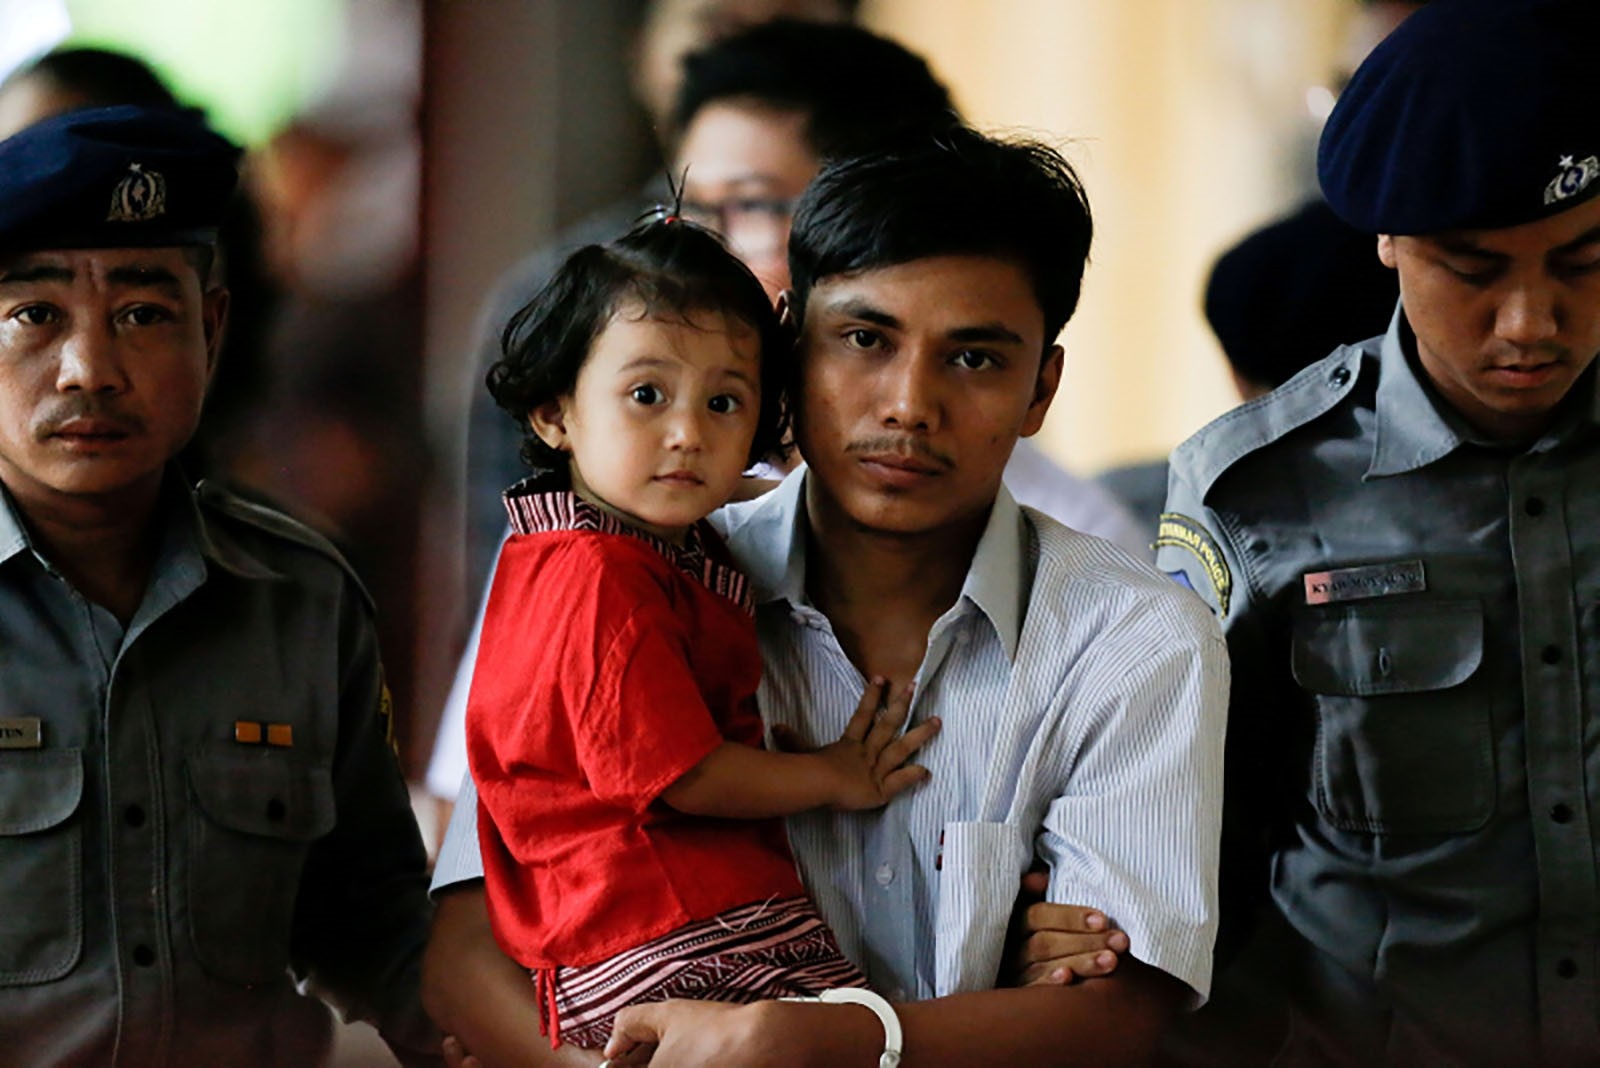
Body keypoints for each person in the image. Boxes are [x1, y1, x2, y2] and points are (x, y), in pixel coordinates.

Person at [424, 124, 1229, 1067]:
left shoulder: (1134, 640)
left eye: (974, 359)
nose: (907, 405)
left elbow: (1115, 1017)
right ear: (789, 347)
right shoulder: (611, 580)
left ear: (1041, 387)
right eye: (863, 339)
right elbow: (462, 949)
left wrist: (818, 1040)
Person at [427, 19, 1149, 815]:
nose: (705, 265)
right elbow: (474, 816)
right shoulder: (619, 522)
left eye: (753, 210)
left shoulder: (1098, 576)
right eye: (690, 219)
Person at [1157, 0, 1600, 1063]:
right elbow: (1182, 858)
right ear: (1388, 245)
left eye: (1582, 262)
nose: (1530, 321)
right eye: (1476, 270)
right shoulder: (1257, 495)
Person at [0, 105, 438, 1066]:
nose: (90, 368)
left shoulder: (302, 599)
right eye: (34, 315)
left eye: (143, 314)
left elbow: (375, 924)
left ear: (213, 326)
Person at [469, 217, 940, 1052]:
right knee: (843, 1045)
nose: (689, 432)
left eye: (724, 402)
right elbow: (682, 776)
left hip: (633, 926)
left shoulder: (624, 551)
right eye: (647, 395)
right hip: (668, 925)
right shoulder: (600, 575)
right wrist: (827, 776)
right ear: (554, 413)